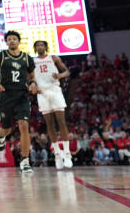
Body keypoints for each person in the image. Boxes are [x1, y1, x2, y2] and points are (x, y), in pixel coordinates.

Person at [0, 31, 37, 172]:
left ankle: (25, 160)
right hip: (6, 96)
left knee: (24, 124)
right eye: (9, 39)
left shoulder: (27, 58)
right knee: (7, 129)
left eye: (14, 39)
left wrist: (33, 84)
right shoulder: (1, 56)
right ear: (6, 42)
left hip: (22, 95)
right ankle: (1, 136)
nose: (12, 41)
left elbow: (32, 76)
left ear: (18, 41)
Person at [32, 40, 72, 168]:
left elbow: (67, 72)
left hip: (54, 90)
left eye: (42, 45)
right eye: (37, 45)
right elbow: (30, 77)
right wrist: (33, 85)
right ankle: (57, 155)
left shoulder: (53, 58)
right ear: (35, 48)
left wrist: (60, 75)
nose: (40, 47)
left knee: (61, 121)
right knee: (49, 124)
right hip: (42, 92)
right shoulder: (32, 61)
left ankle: (67, 153)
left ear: (45, 47)